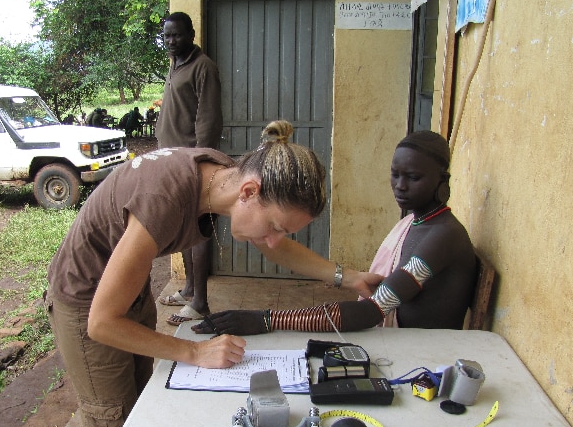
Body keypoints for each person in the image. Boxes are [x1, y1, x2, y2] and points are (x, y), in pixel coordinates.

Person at [45, 120, 382, 427]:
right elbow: (102, 323)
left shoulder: (225, 177)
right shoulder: (163, 199)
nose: (271, 239)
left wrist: (348, 277)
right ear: (249, 192)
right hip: (85, 298)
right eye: (275, 227)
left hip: (128, 291)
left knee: (139, 401)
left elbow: (275, 248)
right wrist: (194, 352)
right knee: (113, 423)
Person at [192, 130, 476, 337]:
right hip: (401, 343)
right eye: (395, 174)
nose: (400, 186)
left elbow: (371, 312)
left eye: (413, 178)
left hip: (428, 355)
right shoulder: (416, 223)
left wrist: (266, 319)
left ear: (443, 180)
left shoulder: (443, 237)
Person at [155, 11, 224, 327]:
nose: (172, 41)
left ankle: (200, 303)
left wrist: (199, 163)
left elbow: (208, 120)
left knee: (198, 229)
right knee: (183, 227)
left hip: (191, 164)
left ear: (192, 34)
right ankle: (188, 289)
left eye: (178, 35)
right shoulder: (175, 64)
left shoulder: (203, 67)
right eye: (167, 36)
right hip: (170, 161)